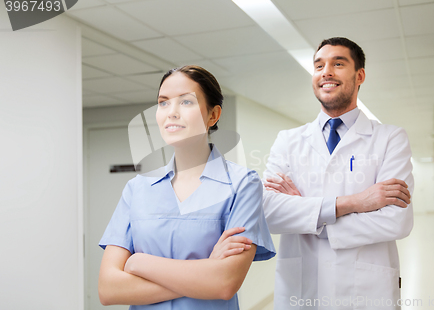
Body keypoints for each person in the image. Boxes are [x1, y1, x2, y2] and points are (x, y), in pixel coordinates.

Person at [98, 65, 275, 310]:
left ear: (213, 115)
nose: (171, 112)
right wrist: (205, 272)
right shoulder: (136, 189)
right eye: (163, 103)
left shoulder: (242, 184)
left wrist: (139, 263)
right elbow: (108, 289)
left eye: (186, 102)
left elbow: (224, 284)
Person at [263, 37, 414, 309]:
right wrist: (357, 202)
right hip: (301, 289)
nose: (326, 72)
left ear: (360, 75)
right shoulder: (288, 140)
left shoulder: (390, 138)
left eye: (338, 63)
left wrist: (308, 218)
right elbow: (269, 213)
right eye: (319, 65)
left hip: (366, 291)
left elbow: (396, 220)